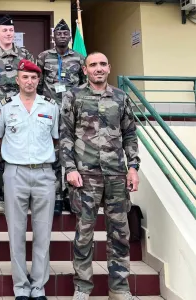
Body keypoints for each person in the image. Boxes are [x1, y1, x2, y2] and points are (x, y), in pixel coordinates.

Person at [60, 52, 140, 300]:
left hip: (116, 175)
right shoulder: (73, 96)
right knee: (84, 233)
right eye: (93, 64)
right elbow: (65, 135)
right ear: (85, 70)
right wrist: (70, 169)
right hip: (85, 175)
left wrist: (133, 167)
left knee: (119, 233)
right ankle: (82, 286)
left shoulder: (121, 96)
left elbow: (129, 135)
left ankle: (119, 287)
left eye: (102, 64)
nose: (98, 68)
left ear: (109, 68)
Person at [0, 59, 58, 300]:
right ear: (17, 79)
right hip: (15, 173)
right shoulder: (6, 107)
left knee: (43, 233)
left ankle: (38, 287)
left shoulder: (51, 107)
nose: (29, 81)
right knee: (16, 233)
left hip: (44, 173)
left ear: (38, 80)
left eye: (33, 77)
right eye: (25, 77)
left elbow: (56, 139)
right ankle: (20, 287)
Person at [0, 14, 34, 214]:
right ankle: (0, 198)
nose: (8, 33)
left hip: (21, 111)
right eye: (4, 30)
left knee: (22, 152)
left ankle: (22, 197)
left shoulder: (25, 54)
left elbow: (33, 80)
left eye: (11, 30)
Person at [37, 19, 86, 216]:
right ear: (53, 36)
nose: (62, 37)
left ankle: (70, 196)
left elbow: (84, 85)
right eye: (59, 34)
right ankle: (56, 196)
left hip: (73, 113)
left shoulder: (79, 58)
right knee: (54, 155)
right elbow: (38, 84)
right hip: (51, 113)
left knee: (74, 154)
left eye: (66, 34)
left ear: (70, 37)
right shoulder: (43, 57)